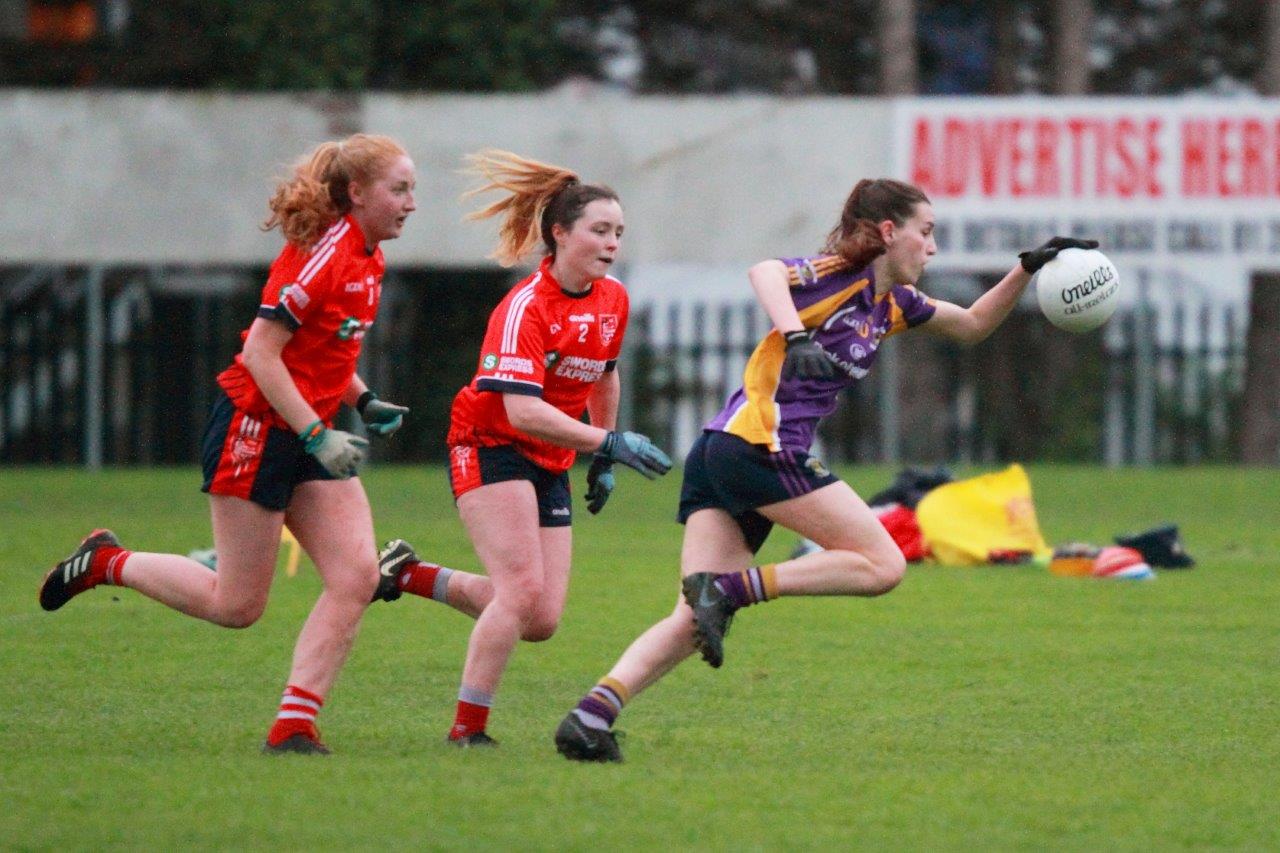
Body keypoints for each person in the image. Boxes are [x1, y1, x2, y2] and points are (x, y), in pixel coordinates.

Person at [551, 177, 1098, 762]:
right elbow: (764, 271)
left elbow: (970, 325)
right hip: (760, 447)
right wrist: (795, 333)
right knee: (883, 564)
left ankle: (590, 717)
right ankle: (733, 590)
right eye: (926, 232)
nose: (932, 248)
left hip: (726, 450)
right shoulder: (841, 272)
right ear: (890, 232)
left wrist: (1026, 270)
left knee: (693, 617)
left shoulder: (893, 304)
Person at [38, 133, 418, 755]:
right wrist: (318, 434)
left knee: (355, 578)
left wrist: (364, 399)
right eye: (399, 189)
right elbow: (260, 354)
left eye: (412, 190)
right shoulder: (323, 256)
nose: (411, 203)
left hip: (309, 433)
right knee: (237, 605)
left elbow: (320, 353)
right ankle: (108, 562)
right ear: (357, 193)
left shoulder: (369, 257)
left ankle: (293, 726)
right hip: (257, 429)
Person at [372, 150, 672, 747]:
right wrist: (607, 439)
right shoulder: (524, 308)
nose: (612, 243)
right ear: (559, 233)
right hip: (489, 444)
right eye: (599, 230)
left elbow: (604, 375)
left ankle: (408, 574)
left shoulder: (612, 298)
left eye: (619, 232)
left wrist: (602, 457)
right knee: (518, 593)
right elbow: (521, 410)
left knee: (540, 619)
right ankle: (467, 729)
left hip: (549, 456)